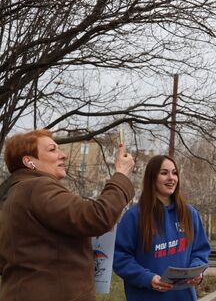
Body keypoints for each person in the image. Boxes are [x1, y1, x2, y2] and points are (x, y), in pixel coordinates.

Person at [0, 129, 135, 301]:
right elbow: (97, 217)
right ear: (29, 161)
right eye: (52, 149)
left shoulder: (13, 194)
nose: (63, 155)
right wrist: (121, 175)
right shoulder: (38, 187)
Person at [114, 155, 211, 301]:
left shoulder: (190, 214)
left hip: (183, 297)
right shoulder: (134, 216)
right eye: (164, 173)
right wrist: (147, 278)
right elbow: (120, 257)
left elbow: (200, 251)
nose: (171, 178)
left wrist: (197, 271)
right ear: (152, 178)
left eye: (174, 173)